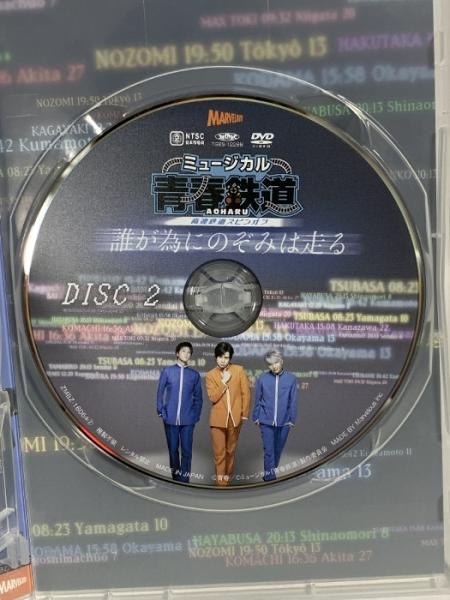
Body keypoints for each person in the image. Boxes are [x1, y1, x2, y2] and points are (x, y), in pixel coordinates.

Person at [205, 342, 250, 486]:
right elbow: (213, 397)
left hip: (235, 419)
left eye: (226, 357)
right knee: (219, 453)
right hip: (217, 420)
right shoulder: (210, 375)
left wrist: (244, 413)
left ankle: (227, 478)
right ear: (215, 357)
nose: (223, 360)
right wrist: (223, 382)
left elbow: (245, 393)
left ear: (230, 358)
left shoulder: (239, 370)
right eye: (220, 357)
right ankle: (220, 483)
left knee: (230, 451)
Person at [156, 341, 202, 483]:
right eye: (183, 351)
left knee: (187, 452)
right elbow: (160, 393)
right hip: (170, 419)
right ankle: (176, 480)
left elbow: (199, 398)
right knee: (173, 450)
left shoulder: (194, 375)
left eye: (189, 352)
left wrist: (195, 416)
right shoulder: (167, 371)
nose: (186, 354)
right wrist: (161, 411)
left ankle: (185, 480)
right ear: (177, 353)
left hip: (188, 420)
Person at [252, 350, 297, 481]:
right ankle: (269, 478)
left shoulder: (291, 379)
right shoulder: (262, 378)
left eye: (276, 362)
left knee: (277, 450)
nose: (274, 366)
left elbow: (293, 400)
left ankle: (271, 470)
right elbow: (258, 398)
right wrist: (256, 416)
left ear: (281, 361)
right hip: (265, 421)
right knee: (269, 451)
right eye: (270, 364)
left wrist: (292, 419)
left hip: (285, 421)